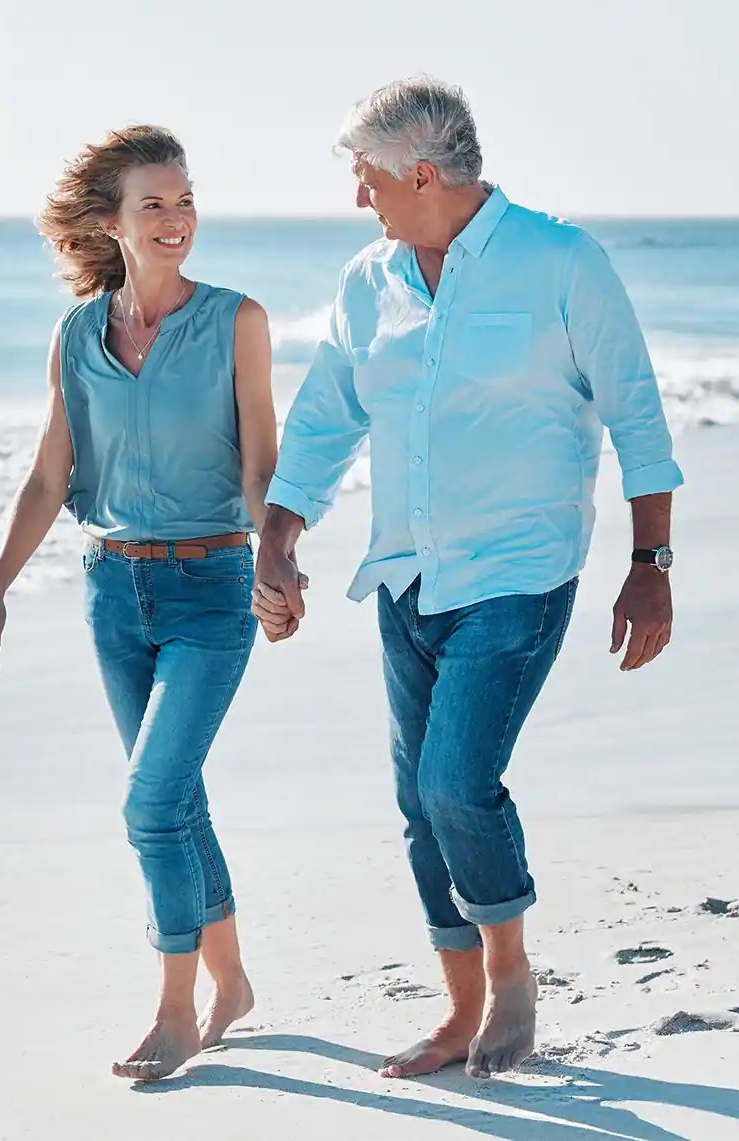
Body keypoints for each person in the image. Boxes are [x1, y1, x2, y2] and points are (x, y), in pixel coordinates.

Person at [251, 77, 683, 1079]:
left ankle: (512, 976)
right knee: (418, 798)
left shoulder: (562, 262)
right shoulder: (371, 280)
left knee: (457, 782)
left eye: (367, 179)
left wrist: (650, 565)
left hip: (521, 573)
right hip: (407, 576)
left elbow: (638, 416)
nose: (360, 199)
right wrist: (279, 535)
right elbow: (323, 418)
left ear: (420, 171)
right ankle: (458, 1012)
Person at [0, 125, 277, 1082]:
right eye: (155, 204)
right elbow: (51, 471)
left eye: (185, 201)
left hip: (213, 584)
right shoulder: (75, 335)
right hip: (113, 591)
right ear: (113, 223)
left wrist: (279, 560)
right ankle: (234, 984)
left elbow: (262, 458)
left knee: (149, 802)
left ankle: (176, 1007)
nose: (177, 219)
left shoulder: (236, 321)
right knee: (174, 795)